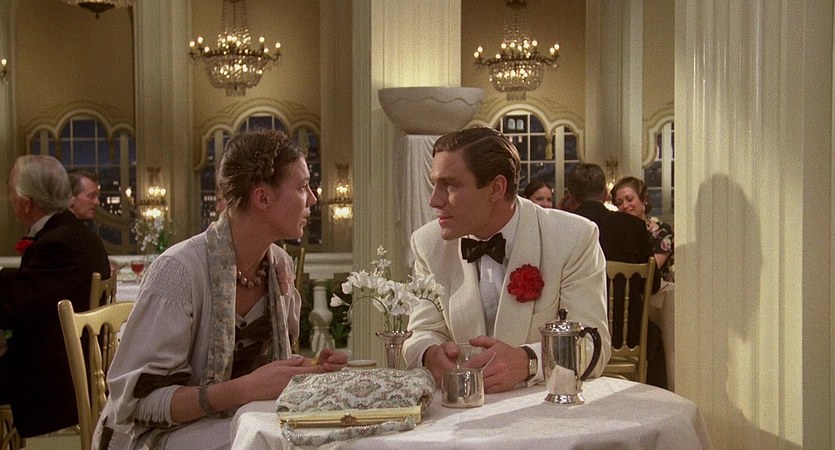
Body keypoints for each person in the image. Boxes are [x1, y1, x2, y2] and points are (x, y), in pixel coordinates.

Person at [94, 130, 347, 449]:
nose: (312, 198)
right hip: (155, 435)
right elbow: (139, 403)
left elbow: (263, 371)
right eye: (301, 187)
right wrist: (247, 388)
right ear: (262, 198)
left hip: (236, 420)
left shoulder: (278, 266)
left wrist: (308, 368)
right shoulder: (178, 271)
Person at [403, 127, 610, 394]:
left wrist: (528, 362)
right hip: (458, 407)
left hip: (542, 405)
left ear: (496, 188)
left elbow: (594, 346)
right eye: (434, 184)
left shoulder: (573, 237)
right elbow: (420, 332)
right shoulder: (428, 244)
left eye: (450, 185)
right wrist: (428, 353)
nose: (434, 200)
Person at [0, 155, 111, 438]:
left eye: (11, 191)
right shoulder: (76, 236)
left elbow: (11, 311)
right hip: (72, 370)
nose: (9, 198)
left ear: (26, 202)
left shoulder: (57, 245)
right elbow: (36, 289)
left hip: (51, 383)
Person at [567, 163, 667, 388]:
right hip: (629, 337)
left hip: (578, 339)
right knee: (655, 335)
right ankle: (654, 398)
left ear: (571, 196)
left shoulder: (564, 227)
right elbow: (653, 286)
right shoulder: (634, 227)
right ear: (605, 194)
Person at [610, 177, 674, 282]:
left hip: (656, 287)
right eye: (620, 203)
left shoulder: (662, 231)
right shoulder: (616, 232)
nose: (625, 206)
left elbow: (650, 271)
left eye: (629, 199)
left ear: (643, 199)